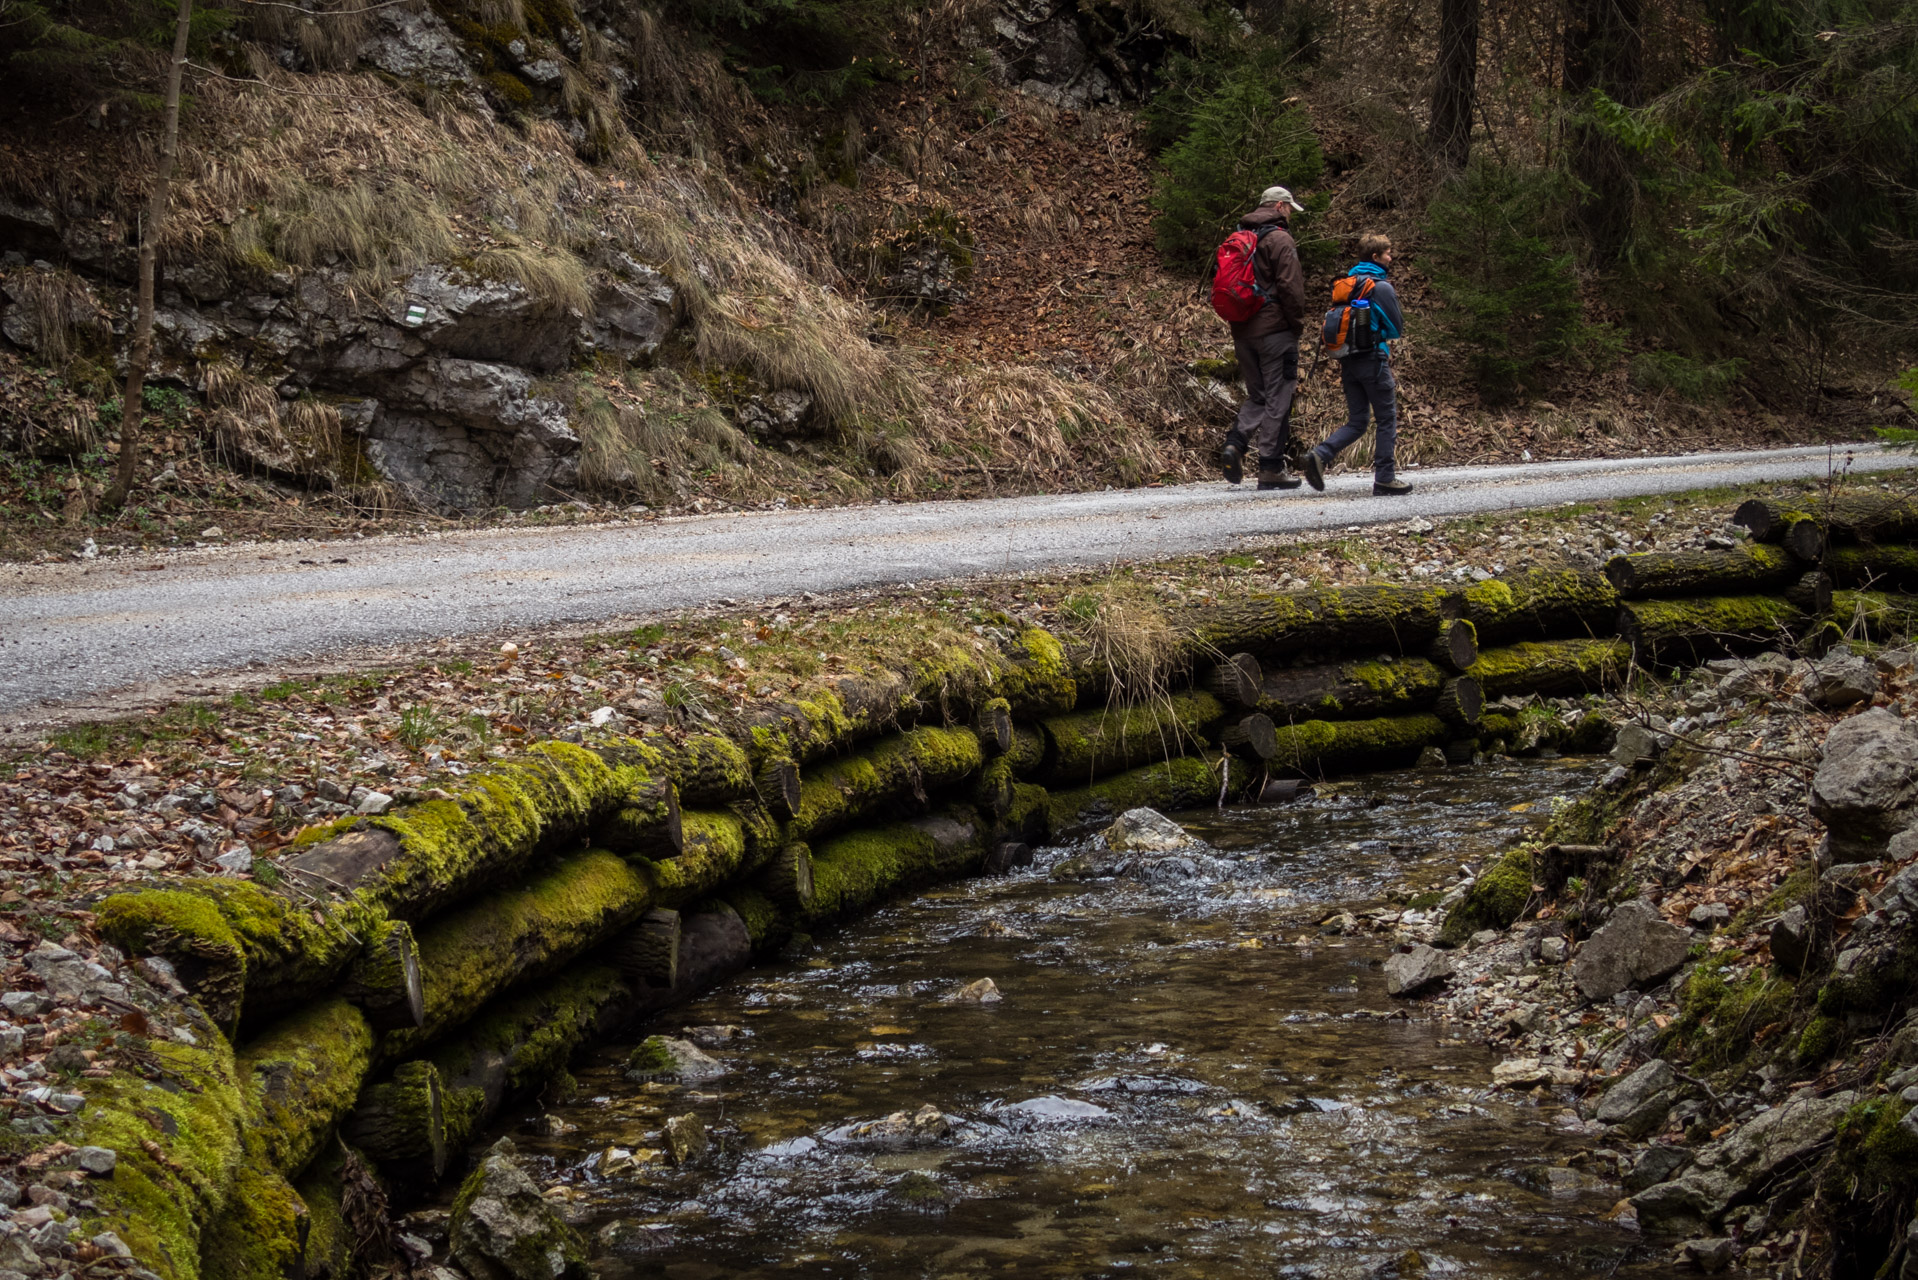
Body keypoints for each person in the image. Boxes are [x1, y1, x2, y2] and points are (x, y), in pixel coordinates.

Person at [1301, 232, 1412, 496]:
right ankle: (1385, 478)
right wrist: (1380, 333)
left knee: (1358, 420)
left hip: (1348, 360)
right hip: (1373, 360)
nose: (1391, 257)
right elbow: (1396, 328)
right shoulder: (1380, 287)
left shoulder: (1347, 284)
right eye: (1387, 253)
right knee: (1386, 419)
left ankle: (1320, 454)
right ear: (1376, 257)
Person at [1220, 186, 1310, 491]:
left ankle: (1235, 444)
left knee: (1257, 395)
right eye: (1290, 209)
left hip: (1242, 331)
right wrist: (1296, 325)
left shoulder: (1240, 236)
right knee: (1278, 397)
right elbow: (1291, 287)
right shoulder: (1280, 239)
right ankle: (1271, 467)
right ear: (1281, 206)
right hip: (1275, 333)